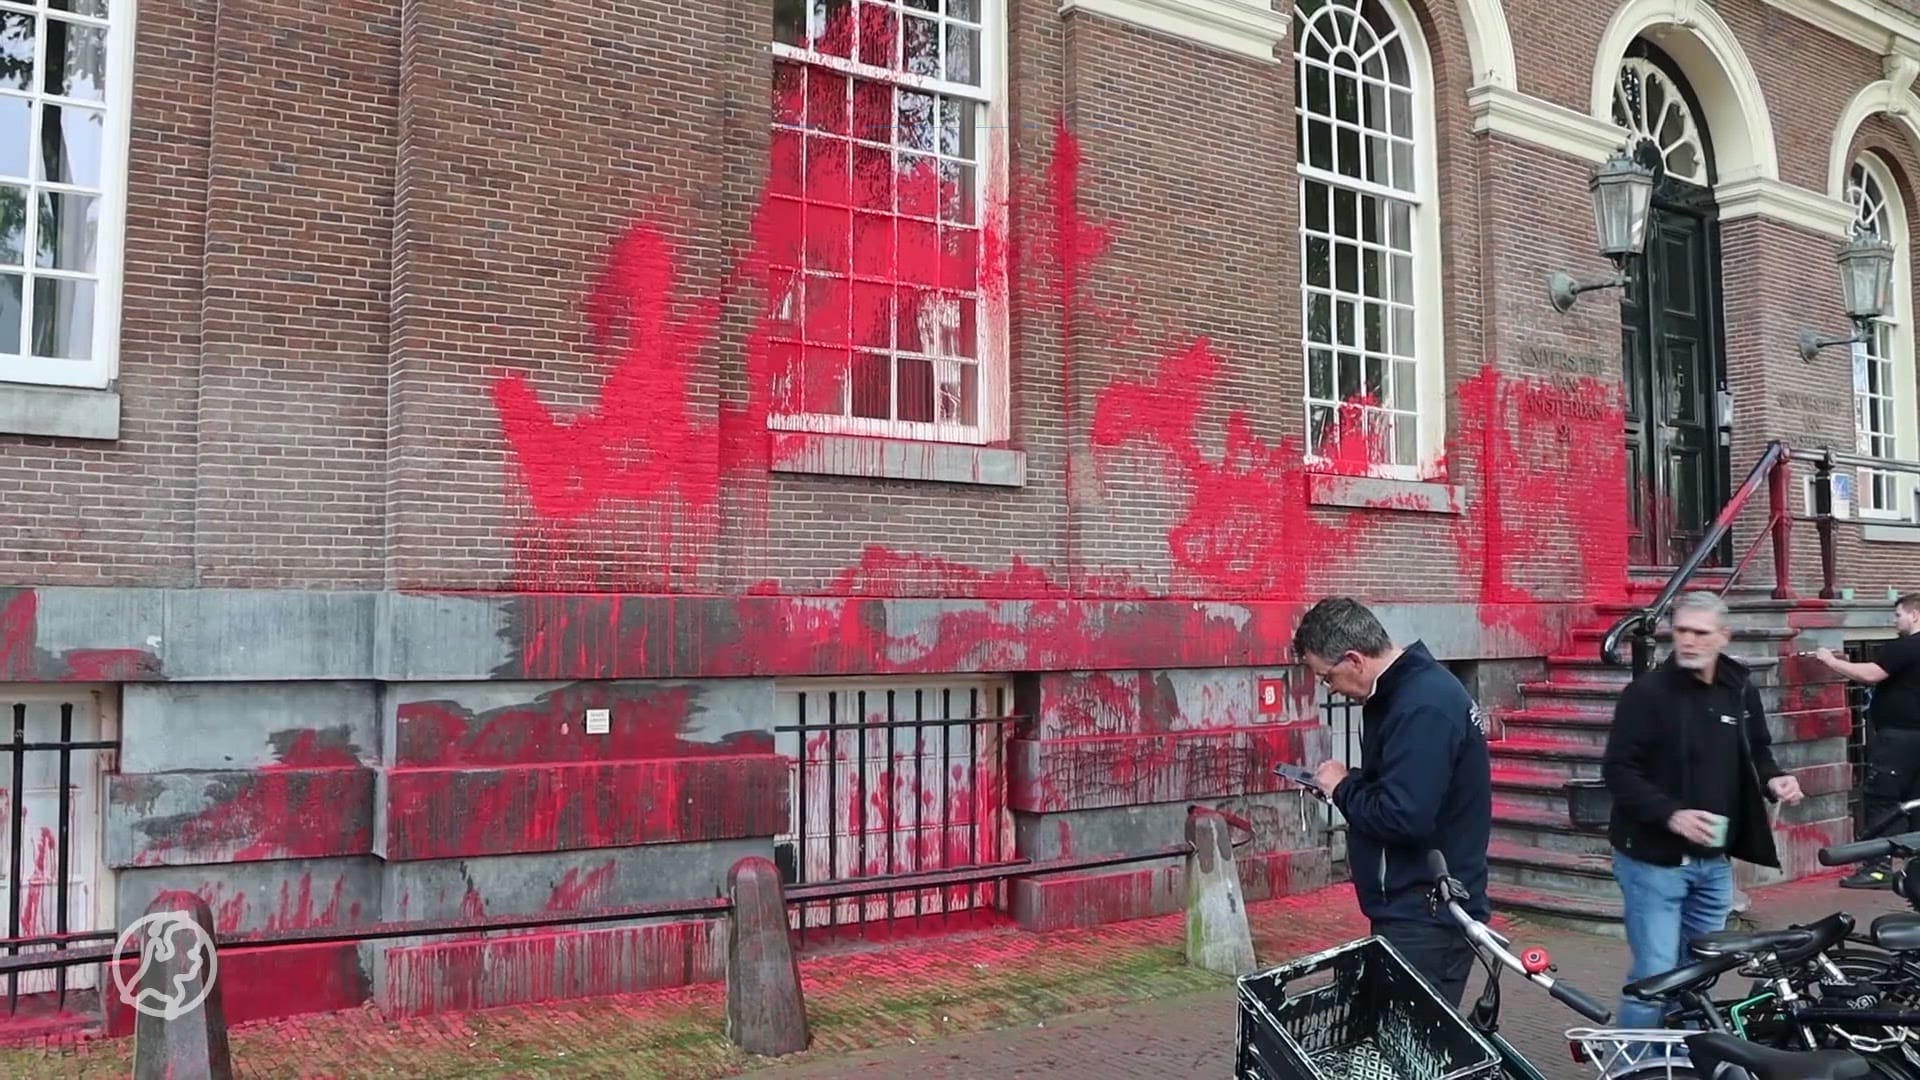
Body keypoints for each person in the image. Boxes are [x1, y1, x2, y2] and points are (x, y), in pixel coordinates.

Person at [1602, 589, 1805, 1033]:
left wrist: (1775, 780)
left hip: (1714, 863)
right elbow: (1617, 771)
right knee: (1656, 973)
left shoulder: (1739, 688)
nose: (1689, 641)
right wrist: (1671, 814)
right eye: (1681, 631)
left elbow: (1758, 750)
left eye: (1700, 632)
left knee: (1698, 970)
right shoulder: (1646, 693)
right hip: (1652, 863)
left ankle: (1680, 1053)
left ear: (1723, 637)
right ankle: (1631, 1064)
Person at [1295, 596, 1492, 1008]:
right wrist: (1351, 782)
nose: (1329, 688)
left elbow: (1404, 817)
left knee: (1410, 1048)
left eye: (1326, 678)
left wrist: (1342, 790)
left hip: (1428, 912)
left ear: (1354, 659)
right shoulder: (1405, 694)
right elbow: (1406, 786)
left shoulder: (1421, 705)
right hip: (1417, 905)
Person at [1815, 591, 1920, 889]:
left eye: (1898, 614)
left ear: (1914, 615)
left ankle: (1877, 869)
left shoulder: (1906, 647)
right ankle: (1915, 870)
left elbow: (1872, 674)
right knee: (1915, 803)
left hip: (1897, 740)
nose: (1894, 620)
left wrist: (1829, 662)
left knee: (1881, 801)